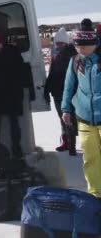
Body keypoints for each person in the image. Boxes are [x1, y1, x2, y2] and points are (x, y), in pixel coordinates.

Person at [62, 19, 101, 199]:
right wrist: (66, 109)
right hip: (84, 117)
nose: (80, 50)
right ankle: (95, 195)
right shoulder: (76, 61)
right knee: (91, 159)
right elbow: (69, 86)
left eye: (83, 47)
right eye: (77, 46)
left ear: (93, 43)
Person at [0, 33, 26, 158]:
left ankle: (16, 149)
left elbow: (20, 71)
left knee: (13, 123)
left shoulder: (11, 51)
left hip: (11, 92)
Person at [44, 27, 78, 155]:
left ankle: (71, 144)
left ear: (66, 42)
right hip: (57, 92)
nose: (58, 45)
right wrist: (47, 90)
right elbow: (52, 73)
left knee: (69, 118)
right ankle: (66, 142)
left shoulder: (72, 55)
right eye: (57, 43)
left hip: (69, 92)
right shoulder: (56, 55)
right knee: (63, 118)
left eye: (61, 43)